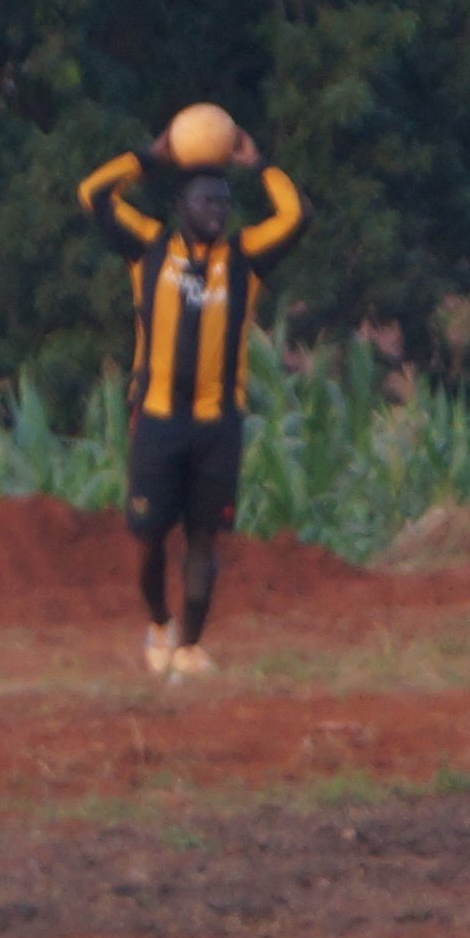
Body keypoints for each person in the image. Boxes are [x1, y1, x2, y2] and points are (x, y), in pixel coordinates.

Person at [75, 117, 303, 678]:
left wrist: (260, 164)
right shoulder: (148, 248)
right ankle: (158, 623)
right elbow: (92, 194)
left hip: (217, 425)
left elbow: (295, 217)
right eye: (206, 201)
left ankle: (193, 646)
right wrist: (148, 159)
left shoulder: (245, 259)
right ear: (182, 205)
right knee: (150, 540)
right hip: (157, 421)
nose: (218, 211)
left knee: (205, 537)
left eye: (224, 202)